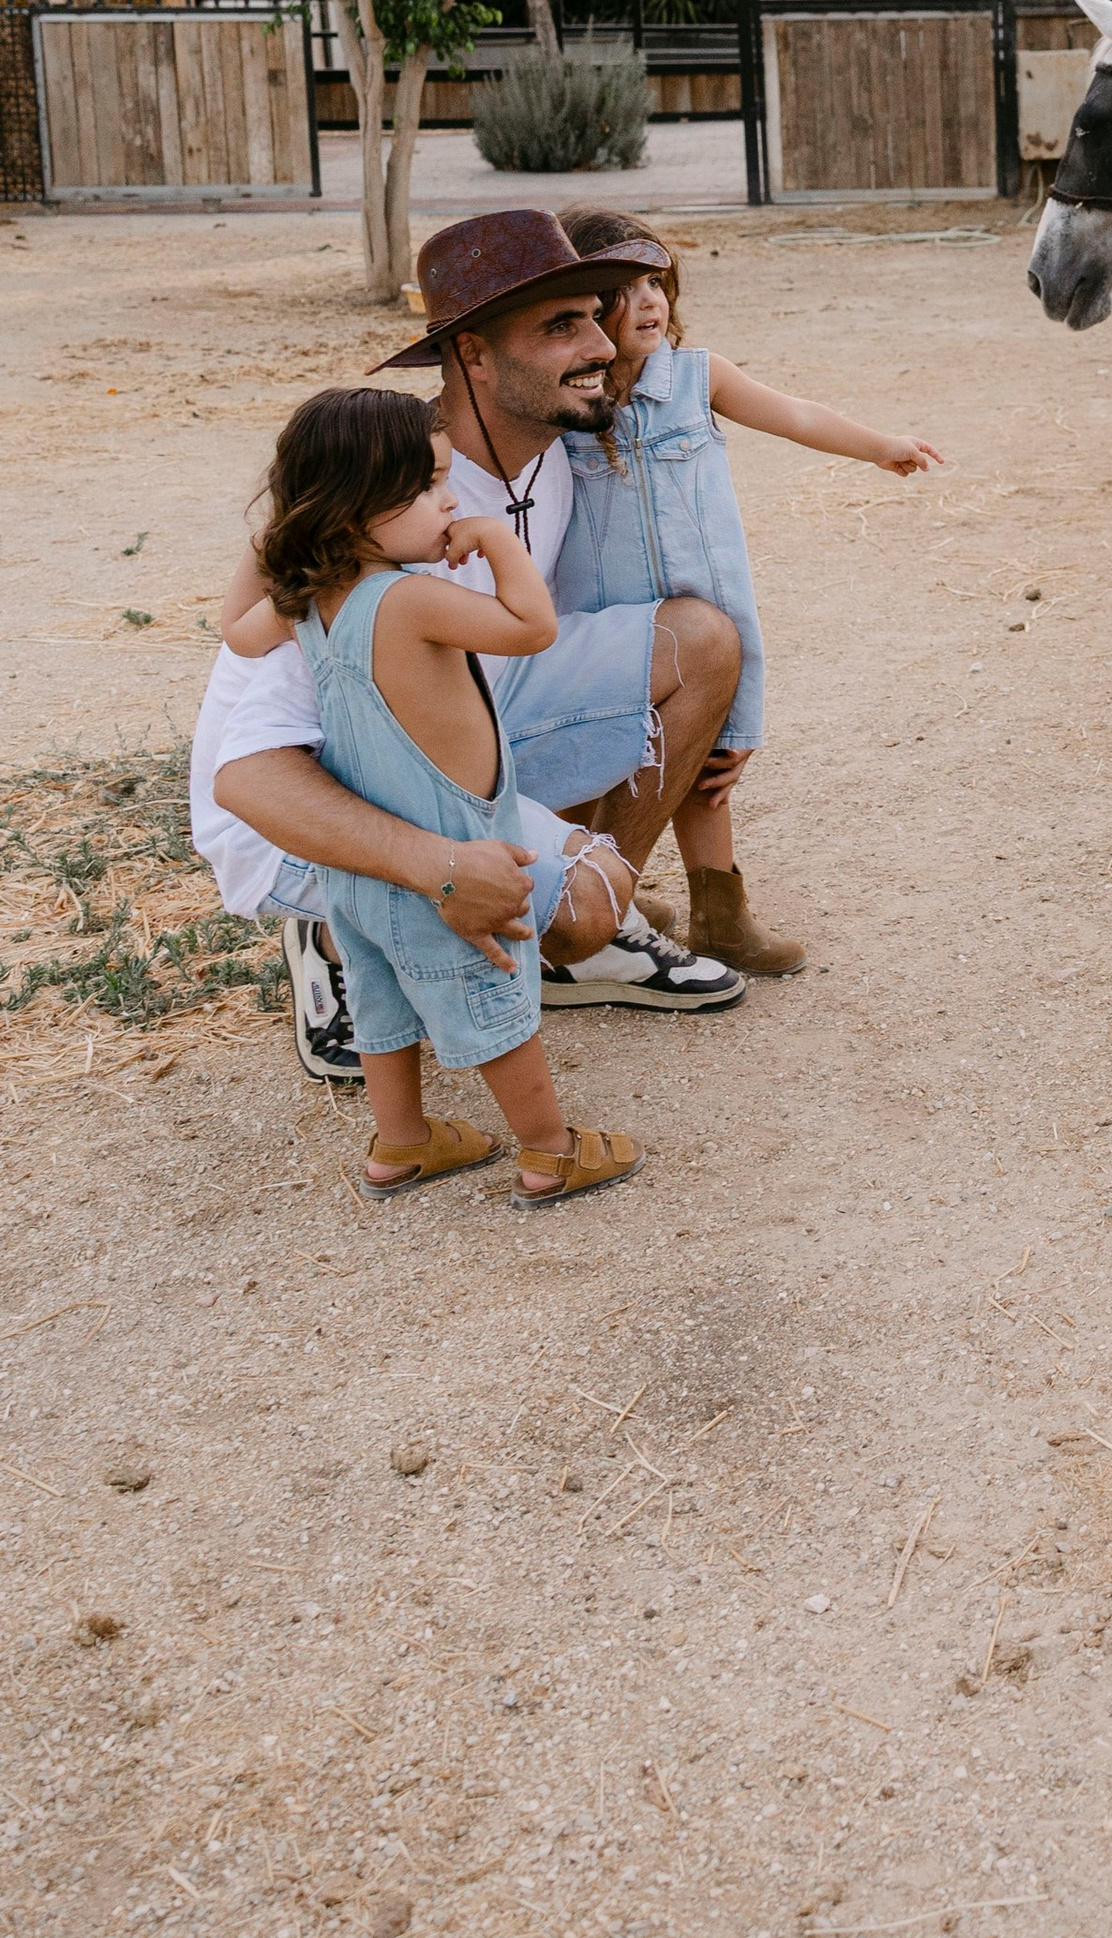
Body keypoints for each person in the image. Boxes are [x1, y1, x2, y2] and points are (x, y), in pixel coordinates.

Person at [202, 211, 753, 1065]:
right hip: (321, 796)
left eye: (596, 314)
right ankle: (336, 936)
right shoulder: (384, 510)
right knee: (569, 904)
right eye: (560, 326)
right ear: (474, 356)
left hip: (464, 722)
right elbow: (250, 778)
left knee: (703, 643)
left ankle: (585, 929)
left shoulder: (560, 445)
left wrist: (719, 732)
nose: (602, 343)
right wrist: (440, 867)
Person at [244, 386, 639, 1205]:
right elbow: (532, 627)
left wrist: (279, 530)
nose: (450, 499)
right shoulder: (409, 597)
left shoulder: (307, 604)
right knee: (494, 1001)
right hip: (450, 851)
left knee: (381, 1000)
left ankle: (404, 1141)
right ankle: (550, 1151)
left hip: (364, 869)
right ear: (354, 506)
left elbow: (232, 628)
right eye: (426, 485)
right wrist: (497, 539)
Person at [552, 209, 943, 974]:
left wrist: (878, 446)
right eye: (625, 290)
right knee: (594, 765)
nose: (651, 301)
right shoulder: (569, 402)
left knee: (704, 769)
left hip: (709, 614)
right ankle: (598, 895)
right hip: (610, 625)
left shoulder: (697, 377)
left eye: (656, 282)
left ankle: (721, 918)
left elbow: (794, 414)